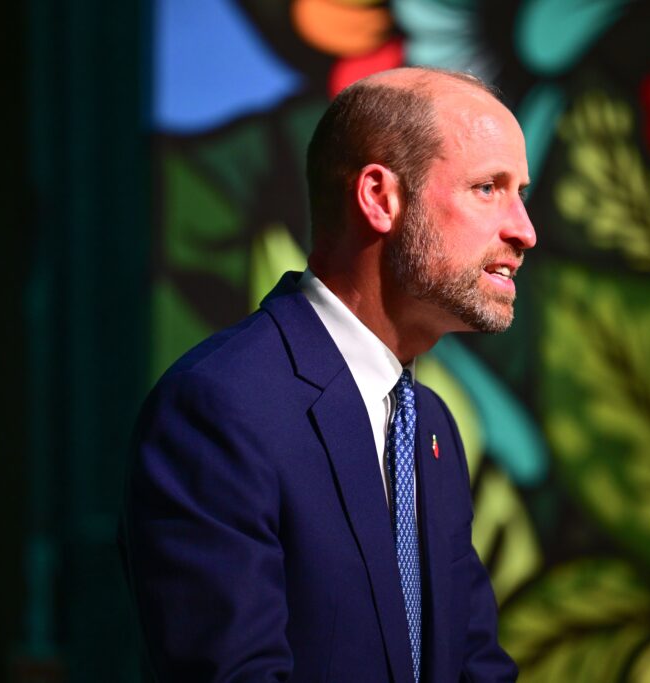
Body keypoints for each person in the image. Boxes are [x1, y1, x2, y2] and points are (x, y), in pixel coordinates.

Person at [120, 66, 536, 683]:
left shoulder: (430, 428)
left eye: (520, 193)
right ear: (379, 197)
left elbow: (475, 667)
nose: (524, 230)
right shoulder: (221, 407)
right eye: (487, 188)